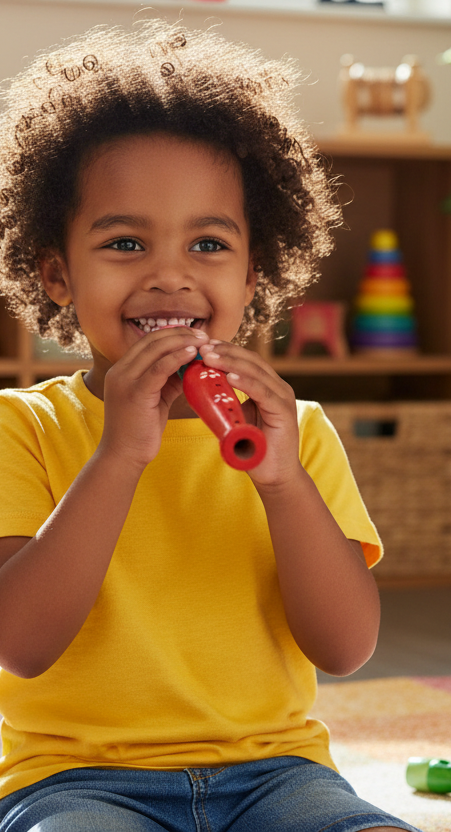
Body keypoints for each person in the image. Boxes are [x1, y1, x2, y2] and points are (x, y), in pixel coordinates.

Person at [0, 20, 422, 832]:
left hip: (277, 776)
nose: (170, 274)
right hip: (76, 782)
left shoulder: (296, 431)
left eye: (208, 243)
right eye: (124, 242)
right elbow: (21, 643)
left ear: (251, 274)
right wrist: (120, 454)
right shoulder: (23, 428)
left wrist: (282, 480)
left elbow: (343, 647)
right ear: (57, 273)